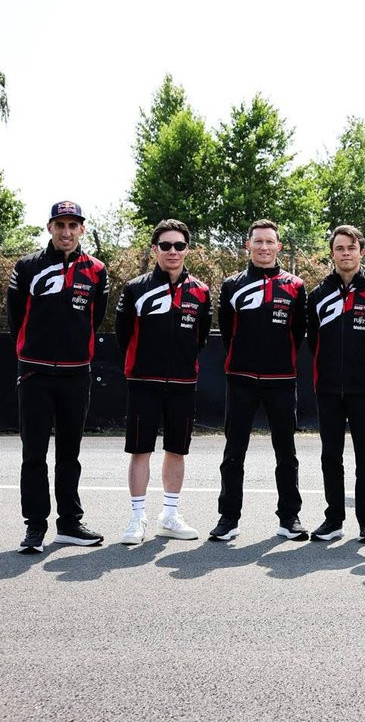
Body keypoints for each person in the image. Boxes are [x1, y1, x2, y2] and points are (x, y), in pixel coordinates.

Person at [7, 200, 110, 553]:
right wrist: (33, 352)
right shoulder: (26, 267)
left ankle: (69, 524)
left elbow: (95, 319)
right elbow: (15, 318)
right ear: (50, 227)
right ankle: (35, 526)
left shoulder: (97, 270)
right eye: (60, 225)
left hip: (76, 374)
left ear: (82, 229)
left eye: (73, 225)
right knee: (34, 453)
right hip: (34, 373)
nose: (67, 232)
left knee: (70, 453)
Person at [114, 219, 211, 545]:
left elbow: (200, 338)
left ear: (187, 249)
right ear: (155, 249)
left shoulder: (201, 291)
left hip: (183, 383)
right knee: (140, 450)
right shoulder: (135, 288)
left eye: (179, 245)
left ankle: (169, 516)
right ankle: (136, 517)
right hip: (143, 381)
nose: (173, 251)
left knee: (176, 450)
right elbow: (123, 334)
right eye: (166, 245)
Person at [212, 219, 308, 542]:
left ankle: (289, 518)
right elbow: (228, 331)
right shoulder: (231, 285)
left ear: (278, 246)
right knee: (233, 452)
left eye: (270, 242)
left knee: (286, 453)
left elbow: (298, 332)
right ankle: (228, 518)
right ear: (248, 245)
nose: (264, 247)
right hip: (240, 380)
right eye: (258, 241)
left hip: (282, 380)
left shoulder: (296, 286)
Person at [306, 225, 365, 544]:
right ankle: (334, 520)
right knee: (330, 456)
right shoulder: (318, 295)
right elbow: (313, 342)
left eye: (351, 248)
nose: (345, 253)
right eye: (339, 248)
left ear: (362, 252)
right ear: (332, 254)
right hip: (328, 389)